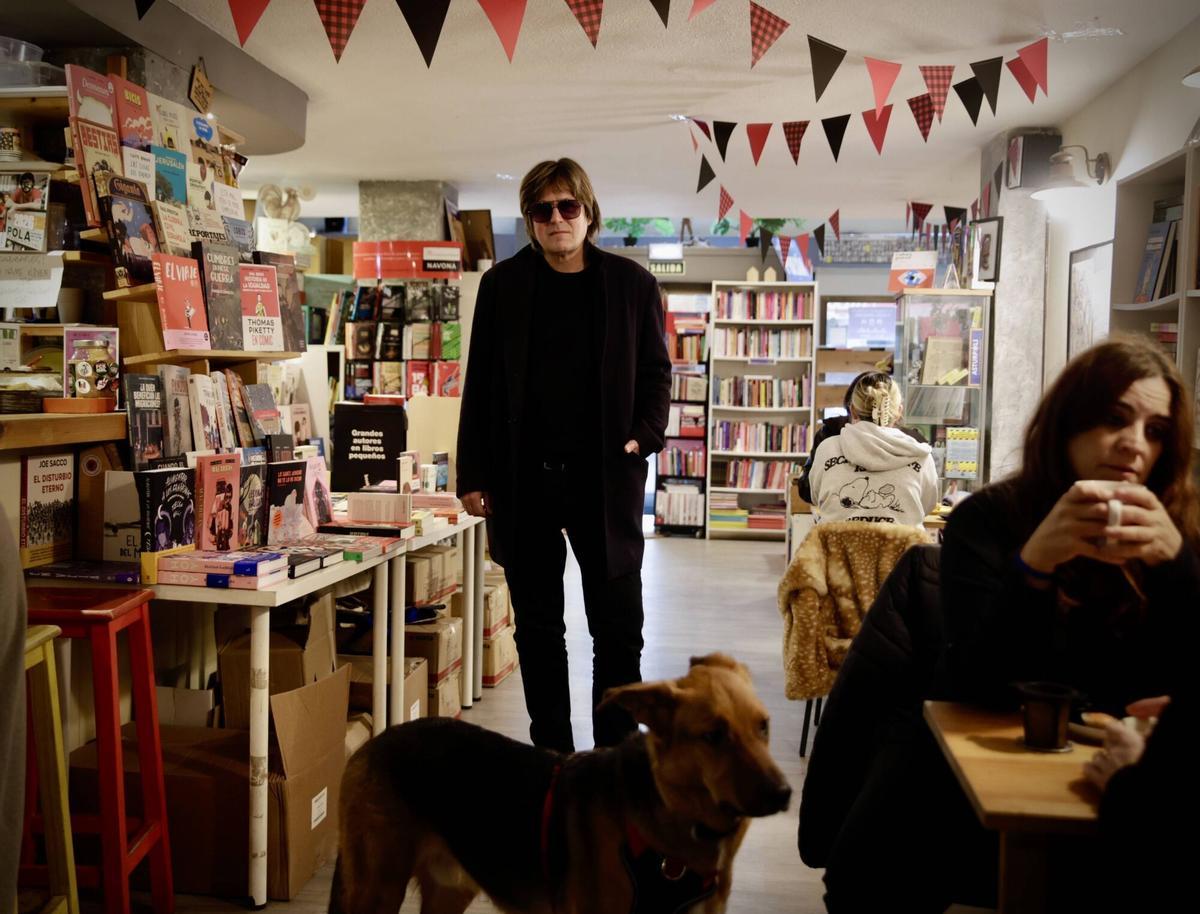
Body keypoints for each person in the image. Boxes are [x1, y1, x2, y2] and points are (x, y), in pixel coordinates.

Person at [818, 337, 1200, 912]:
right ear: (1067, 423)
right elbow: (979, 679)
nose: (1133, 444)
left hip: (1124, 772)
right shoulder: (993, 519)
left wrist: (1178, 568)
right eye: (1115, 419)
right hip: (984, 753)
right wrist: (1035, 564)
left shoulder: (1176, 532)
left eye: (1155, 431)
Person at [456, 158, 671, 753]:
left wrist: (643, 436)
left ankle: (616, 761)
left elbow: (657, 374)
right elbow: (482, 384)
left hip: (605, 481)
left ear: (587, 211)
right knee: (540, 632)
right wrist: (471, 472)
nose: (556, 218)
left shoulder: (631, 286)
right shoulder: (502, 287)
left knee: (619, 630)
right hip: (523, 482)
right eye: (542, 210)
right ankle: (552, 761)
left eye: (566, 206)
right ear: (529, 220)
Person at [804, 371, 938, 528]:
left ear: (853, 410)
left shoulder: (827, 448)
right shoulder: (920, 454)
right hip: (902, 549)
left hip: (839, 548)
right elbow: (927, 506)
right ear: (898, 412)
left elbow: (815, 496)